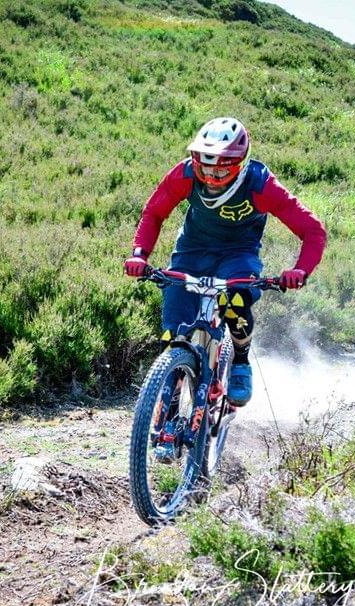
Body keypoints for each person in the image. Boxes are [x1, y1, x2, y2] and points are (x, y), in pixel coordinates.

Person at [124, 117, 327, 410]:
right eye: (205, 164)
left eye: (221, 166)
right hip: (192, 251)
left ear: (240, 163)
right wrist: (139, 255)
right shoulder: (184, 175)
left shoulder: (260, 184)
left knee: (236, 301)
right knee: (173, 330)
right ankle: (168, 399)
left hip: (238, 253)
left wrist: (300, 270)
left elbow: (312, 230)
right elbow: (154, 212)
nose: (211, 174)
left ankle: (241, 360)